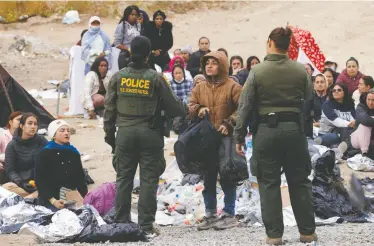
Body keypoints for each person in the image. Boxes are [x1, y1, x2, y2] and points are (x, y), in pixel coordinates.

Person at [234, 27, 316, 245]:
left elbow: (245, 106)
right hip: (294, 131)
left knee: (269, 183)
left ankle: (274, 236)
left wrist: (239, 136)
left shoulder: (257, 71)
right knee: (299, 182)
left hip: (266, 133)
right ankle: (307, 233)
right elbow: (310, 102)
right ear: (289, 44)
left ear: (270, 42)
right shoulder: (301, 71)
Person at [103, 36, 186, 236]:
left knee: (124, 178)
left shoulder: (118, 77)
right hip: (150, 134)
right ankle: (145, 226)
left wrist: (110, 138)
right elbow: (174, 107)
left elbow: (108, 111)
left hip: (125, 133)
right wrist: (187, 109)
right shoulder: (156, 78)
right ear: (148, 54)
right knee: (149, 180)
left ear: (131, 52)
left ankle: (122, 222)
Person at [189, 51, 242, 231]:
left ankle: (229, 213)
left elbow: (243, 109)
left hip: (226, 137)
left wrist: (230, 122)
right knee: (209, 176)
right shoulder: (199, 88)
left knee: (227, 174)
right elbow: (190, 106)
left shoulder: (232, 86)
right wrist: (199, 109)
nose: (209, 66)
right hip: (207, 138)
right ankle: (211, 214)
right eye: (207, 63)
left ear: (222, 66)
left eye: (214, 63)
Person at [35, 120, 88, 211]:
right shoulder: (44, 154)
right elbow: (40, 181)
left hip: (71, 196)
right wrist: (53, 200)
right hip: (51, 198)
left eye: (68, 130)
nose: (66, 133)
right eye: (62, 130)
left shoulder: (73, 153)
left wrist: (84, 196)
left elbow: (80, 178)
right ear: (53, 135)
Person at [3, 113, 48, 197]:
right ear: (21, 126)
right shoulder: (12, 145)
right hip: (21, 185)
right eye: (30, 123)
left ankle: (34, 197)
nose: (33, 126)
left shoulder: (42, 140)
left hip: (41, 182)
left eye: (35, 124)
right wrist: (21, 183)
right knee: (6, 187)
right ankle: (36, 197)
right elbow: (10, 170)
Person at [114, 5, 141, 69]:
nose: (134, 17)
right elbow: (117, 44)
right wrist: (128, 49)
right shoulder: (122, 26)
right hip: (125, 56)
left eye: (136, 15)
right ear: (127, 15)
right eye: (132, 14)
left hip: (136, 55)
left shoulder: (138, 25)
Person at [350, 89, 374, 157]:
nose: (370, 103)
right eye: (368, 99)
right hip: (357, 139)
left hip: (371, 139)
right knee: (365, 125)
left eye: (373, 100)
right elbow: (365, 120)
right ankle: (364, 154)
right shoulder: (361, 106)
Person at [0, 112, 22, 184]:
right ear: (10, 122)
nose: (21, 122)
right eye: (18, 119)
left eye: (23, 120)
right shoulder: (2, 134)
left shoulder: (24, 137)